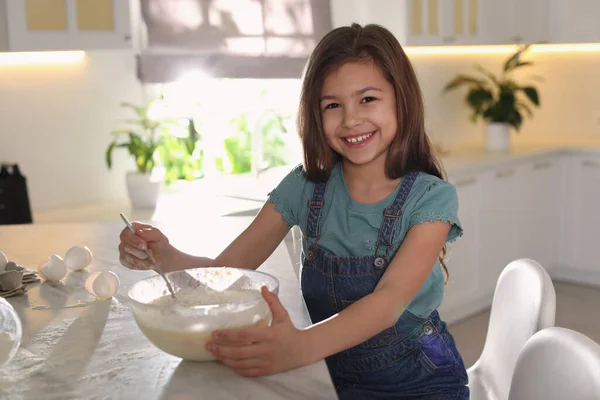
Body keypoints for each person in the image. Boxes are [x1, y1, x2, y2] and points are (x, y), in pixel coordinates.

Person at [118, 23, 469, 399]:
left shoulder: (431, 200)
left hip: (418, 383)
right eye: (332, 105)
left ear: (402, 100)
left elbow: (387, 304)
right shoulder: (305, 186)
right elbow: (230, 275)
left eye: (368, 99)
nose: (350, 119)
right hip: (325, 373)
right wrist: (164, 255)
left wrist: (297, 347)